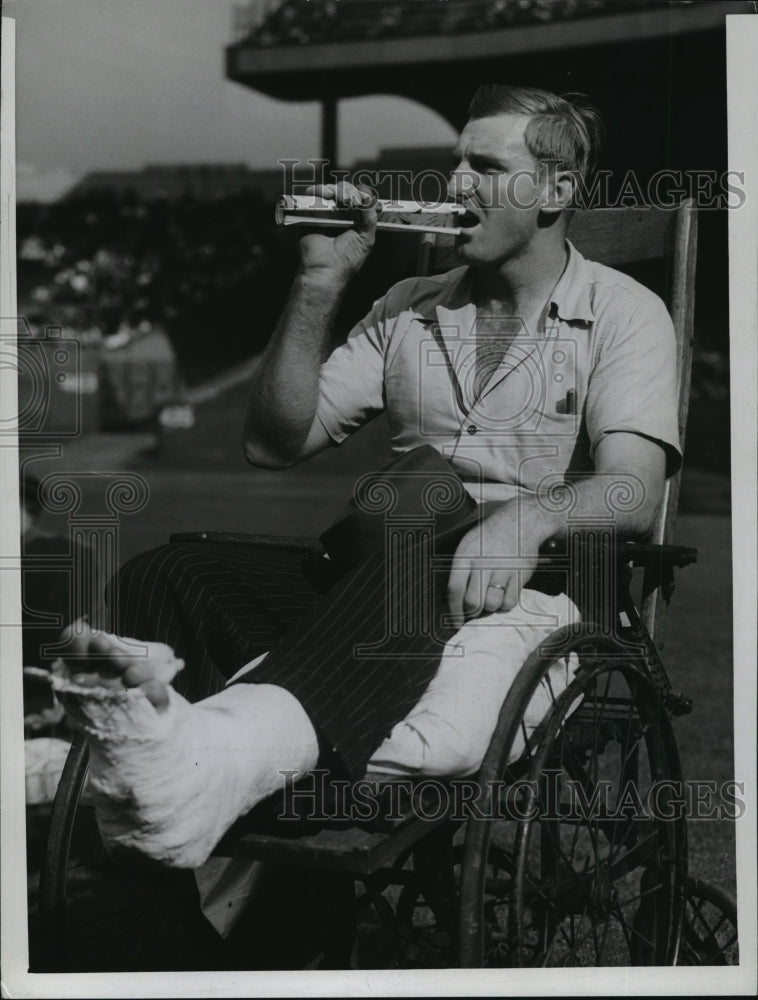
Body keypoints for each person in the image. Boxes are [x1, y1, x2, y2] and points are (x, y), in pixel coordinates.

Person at [47, 85, 681, 874]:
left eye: (485, 166)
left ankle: (208, 767)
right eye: (456, 162)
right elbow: (274, 444)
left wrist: (525, 521)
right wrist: (319, 282)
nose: (454, 183)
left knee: (409, 558)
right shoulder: (405, 306)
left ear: (557, 190)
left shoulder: (626, 313)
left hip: (537, 581)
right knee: (172, 572)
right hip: (382, 569)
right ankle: (164, 820)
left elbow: (633, 489)